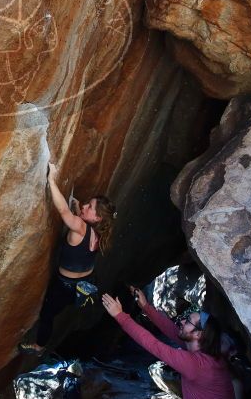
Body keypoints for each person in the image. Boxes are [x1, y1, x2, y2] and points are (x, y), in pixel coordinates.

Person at [19, 161, 117, 355]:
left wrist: (51, 180)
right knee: (59, 307)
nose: (86, 205)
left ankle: (39, 347)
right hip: (83, 284)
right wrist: (78, 208)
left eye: (90, 207)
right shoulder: (99, 234)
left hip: (64, 286)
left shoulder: (80, 226)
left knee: (47, 314)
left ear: (96, 218)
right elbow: (79, 229)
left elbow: (64, 212)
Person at [102, 287, 235, 399]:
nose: (181, 322)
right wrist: (145, 307)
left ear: (198, 334)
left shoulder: (197, 365)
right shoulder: (204, 351)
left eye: (187, 321)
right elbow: (172, 330)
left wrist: (120, 316)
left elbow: (154, 345)